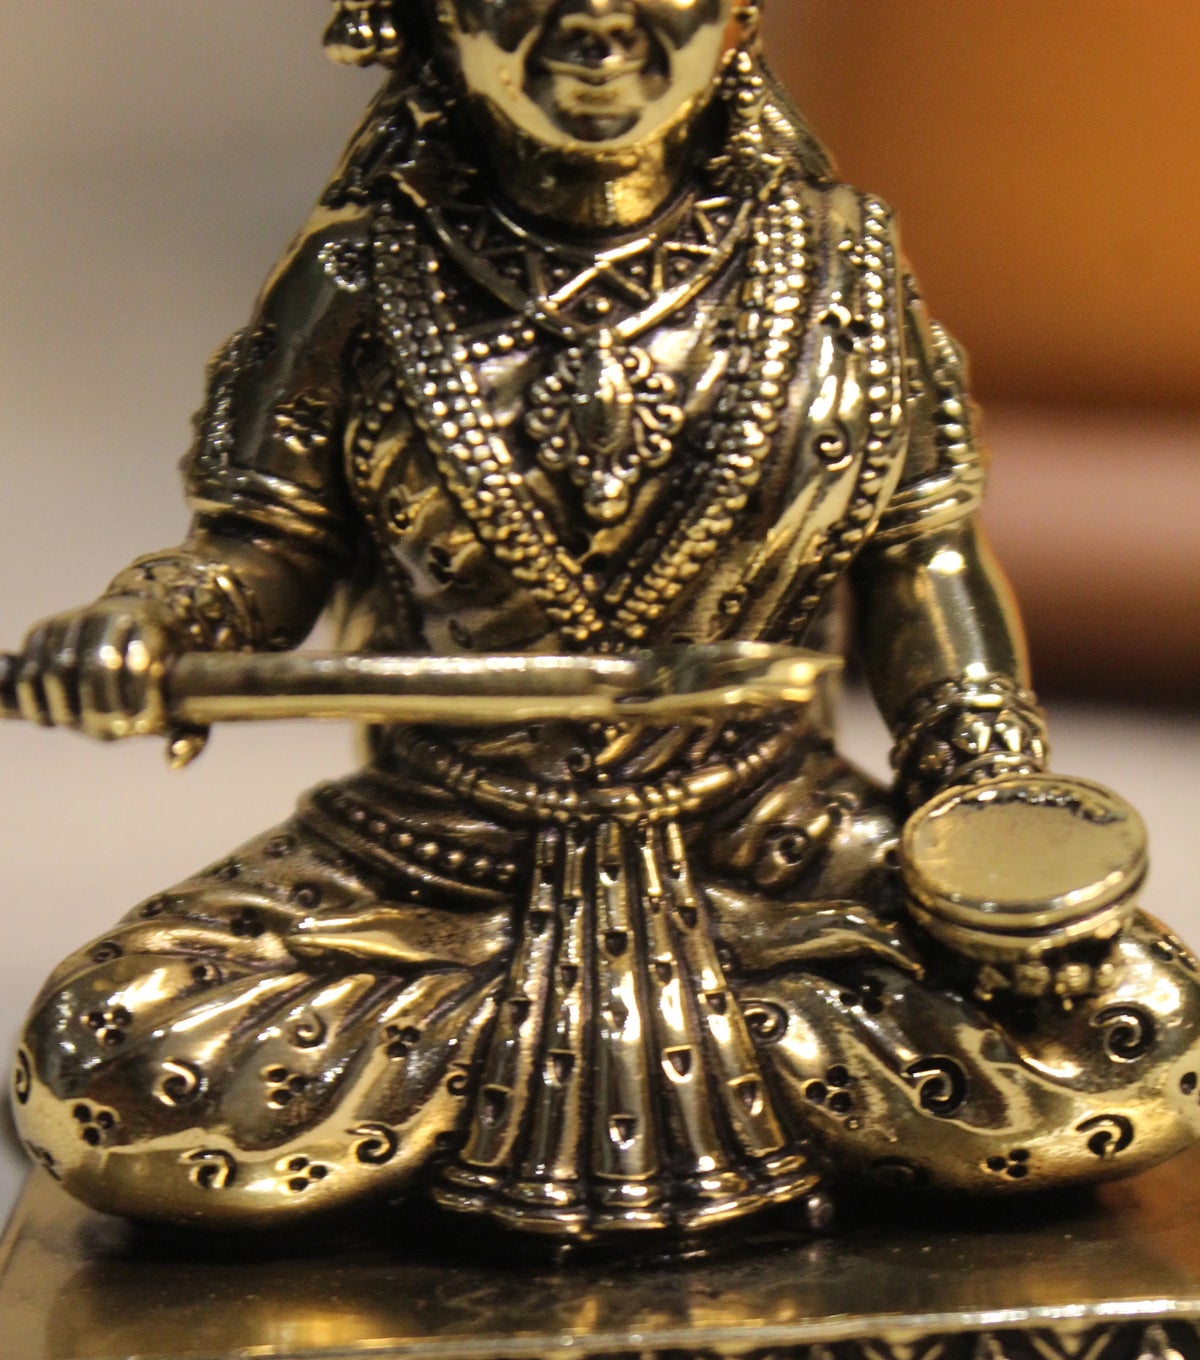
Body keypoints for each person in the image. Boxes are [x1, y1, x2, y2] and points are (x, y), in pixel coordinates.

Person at [9, 0, 1199, 1238]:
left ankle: (514, 1065)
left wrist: (986, 795)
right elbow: (263, 550)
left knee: (1140, 1033)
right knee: (105, 1064)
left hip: (763, 828)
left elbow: (922, 556)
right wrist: (148, 625)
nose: (596, 32)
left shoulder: (839, 260)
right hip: (440, 847)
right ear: (430, 19)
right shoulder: (362, 277)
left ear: (735, 16)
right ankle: (677, 1043)